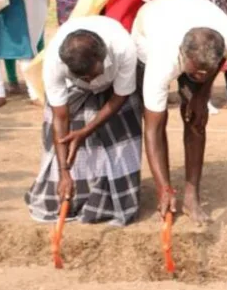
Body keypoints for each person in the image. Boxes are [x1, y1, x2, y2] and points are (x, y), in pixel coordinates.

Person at [132, 0, 227, 225]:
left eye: (206, 71)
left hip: (195, 15)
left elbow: (211, 67)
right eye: (194, 71)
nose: (200, 76)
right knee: (157, 118)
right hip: (148, 26)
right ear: (183, 54)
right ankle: (165, 190)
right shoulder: (162, 58)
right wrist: (164, 188)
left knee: (196, 120)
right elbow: (153, 129)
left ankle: (192, 197)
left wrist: (201, 96)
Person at [25, 16, 142, 225]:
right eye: (83, 77)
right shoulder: (54, 61)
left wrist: (86, 131)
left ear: (103, 57)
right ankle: (76, 193)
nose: (90, 81)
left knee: (120, 142)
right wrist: (64, 172)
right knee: (65, 150)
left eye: (92, 74)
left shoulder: (123, 47)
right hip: (74, 92)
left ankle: (111, 200)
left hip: (114, 90)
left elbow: (120, 96)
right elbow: (60, 117)